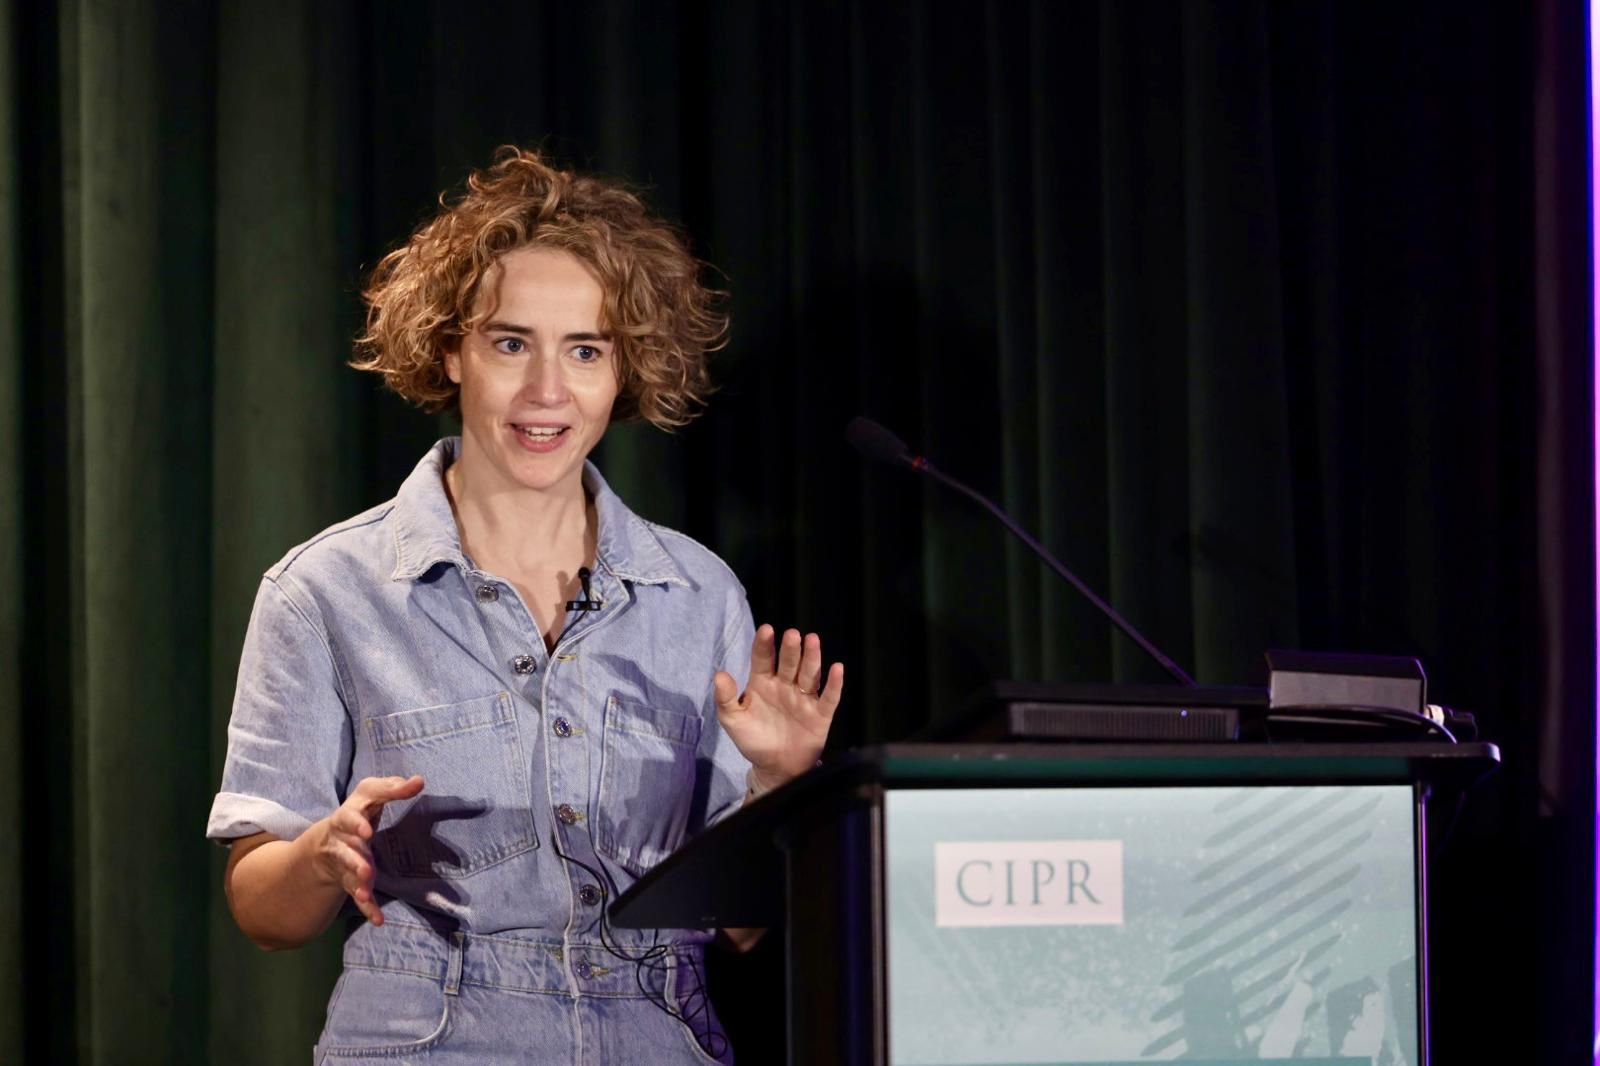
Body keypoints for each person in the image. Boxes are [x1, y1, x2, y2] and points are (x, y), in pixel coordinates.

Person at [206, 146, 843, 1065]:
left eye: (585, 350)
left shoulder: (698, 595)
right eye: (511, 344)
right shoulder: (326, 591)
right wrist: (318, 856)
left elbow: (738, 931)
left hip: (659, 1037)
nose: (548, 391)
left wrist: (782, 784)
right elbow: (262, 911)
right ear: (450, 350)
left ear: (623, 370)